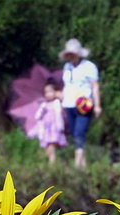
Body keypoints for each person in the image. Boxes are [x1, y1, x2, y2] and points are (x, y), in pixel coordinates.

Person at [60, 38, 101, 169]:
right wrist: (62, 102)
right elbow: (66, 86)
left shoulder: (89, 67)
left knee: (79, 132)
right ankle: (83, 167)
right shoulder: (67, 67)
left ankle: (77, 165)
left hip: (84, 104)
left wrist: (97, 105)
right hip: (69, 103)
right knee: (74, 133)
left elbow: (95, 86)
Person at [35, 79, 67, 164]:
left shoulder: (57, 103)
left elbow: (62, 113)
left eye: (50, 92)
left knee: (52, 146)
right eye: (46, 93)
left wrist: (61, 100)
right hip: (47, 128)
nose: (48, 94)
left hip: (55, 127)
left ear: (55, 92)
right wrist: (41, 111)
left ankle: (52, 164)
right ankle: (55, 161)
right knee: (47, 147)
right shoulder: (44, 105)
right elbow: (38, 116)